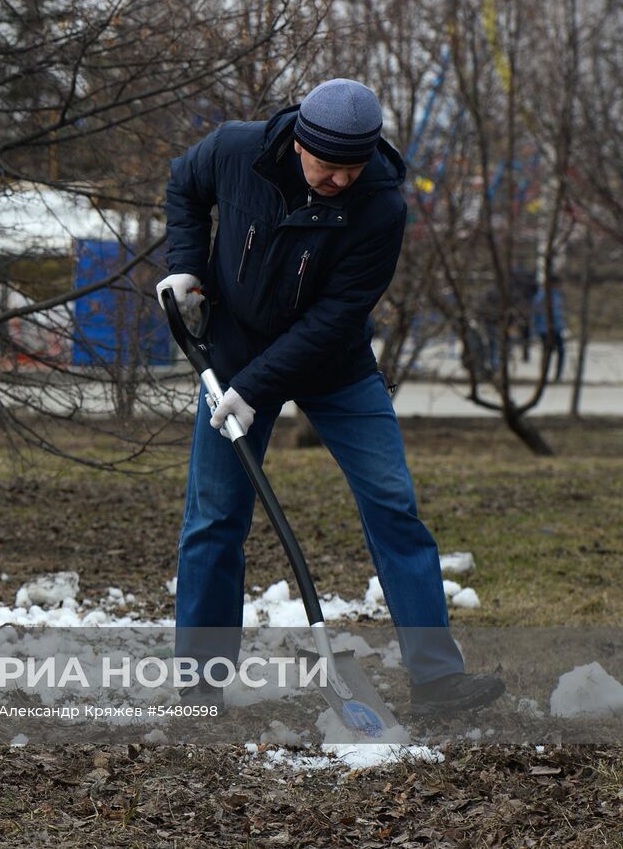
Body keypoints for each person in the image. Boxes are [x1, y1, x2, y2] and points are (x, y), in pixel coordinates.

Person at [157, 78, 504, 715]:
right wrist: (186, 266)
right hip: (232, 357)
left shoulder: (381, 206)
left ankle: (436, 680)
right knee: (215, 518)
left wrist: (256, 390)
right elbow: (185, 185)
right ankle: (199, 684)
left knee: (394, 503)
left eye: (353, 168)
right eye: (328, 166)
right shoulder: (235, 151)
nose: (340, 181)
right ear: (296, 143)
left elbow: (337, 317)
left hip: (333, 367)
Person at [532, 284, 567, 382]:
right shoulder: (542, 296)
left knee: (558, 351)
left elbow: (560, 312)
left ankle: (556, 375)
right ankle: (545, 375)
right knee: (549, 352)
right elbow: (536, 313)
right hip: (546, 329)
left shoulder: (556, 295)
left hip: (556, 328)